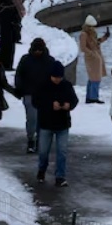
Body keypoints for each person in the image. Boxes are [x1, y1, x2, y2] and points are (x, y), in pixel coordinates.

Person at [34, 59, 79, 187]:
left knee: (62, 151)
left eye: (60, 77)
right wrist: (50, 105)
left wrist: (69, 105)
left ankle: (60, 176)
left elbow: (74, 100)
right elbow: (35, 102)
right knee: (43, 151)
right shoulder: (43, 86)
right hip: (46, 123)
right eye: (55, 77)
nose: (58, 80)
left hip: (62, 124)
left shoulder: (66, 85)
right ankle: (42, 170)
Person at [14, 38, 54, 154]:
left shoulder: (49, 61)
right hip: (29, 93)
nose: (37, 52)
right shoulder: (26, 60)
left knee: (43, 119)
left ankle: (40, 141)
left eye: (39, 50)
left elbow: (56, 76)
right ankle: (31, 139)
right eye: (36, 50)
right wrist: (19, 88)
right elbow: (19, 75)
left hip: (45, 95)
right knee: (32, 119)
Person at [78, 15, 109, 103]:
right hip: (91, 58)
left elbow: (96, 43)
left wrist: (105, 37)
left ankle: (90, 97)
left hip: (95, 57)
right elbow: (83, 47)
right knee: (95, 78)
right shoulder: (84, 34)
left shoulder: (91, 33)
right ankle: (93, 98)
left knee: (93, 78)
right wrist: (92, 54)